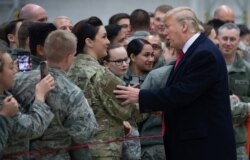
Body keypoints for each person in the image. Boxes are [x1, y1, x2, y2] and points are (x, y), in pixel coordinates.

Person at [114, 7, 236, 160]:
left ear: (184, 26)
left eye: (167, 27)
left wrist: (140, 95)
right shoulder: (194, 51)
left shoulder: (203, 53)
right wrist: (164, 107)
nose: (165, 33)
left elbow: (182, 93)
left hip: (203, 147)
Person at [11, 30, 98, 159]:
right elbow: (86, 133)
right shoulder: (72, 92)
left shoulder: (16, 80)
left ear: (45, 51)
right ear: (69, 57)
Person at [68, 16, 134, 160]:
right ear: (89, 41)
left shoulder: (69, 70)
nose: (108, 42)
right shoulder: (100, 74)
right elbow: (128, 109)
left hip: (76, 149)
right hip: (103, 150)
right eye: (103, 37)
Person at [0, 43, 55, 159]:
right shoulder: (5, 105)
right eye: (10, 67)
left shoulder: (5, 93)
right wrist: (40, 95)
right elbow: (32, 128)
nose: (16, 71)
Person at [217, 23, 250, 159]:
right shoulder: (207, 65)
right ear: (218, 39)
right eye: (224, 38)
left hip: (238, 138)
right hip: (212, 136)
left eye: (232, 39)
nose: (228, 43)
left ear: (239, 41)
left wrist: (240, 101)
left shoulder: (247, 70)